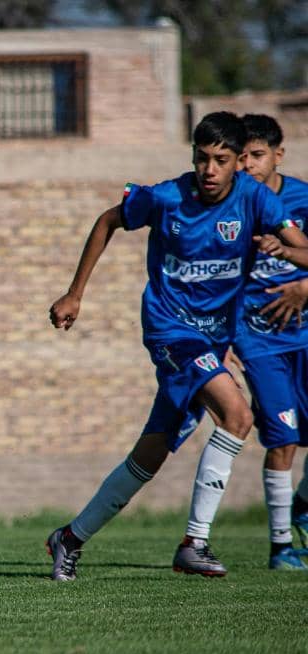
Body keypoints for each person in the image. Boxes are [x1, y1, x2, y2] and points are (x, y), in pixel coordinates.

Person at [46, 111, 308, 581]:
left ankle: (69, 538)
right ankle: (195, 542)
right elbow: (108, 220)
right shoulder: (166, 197)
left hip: (213, 338)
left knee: (152, 450)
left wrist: (288, 252)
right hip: (171, 332)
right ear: (193, 156)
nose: (210, 169)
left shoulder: (254, 200)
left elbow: (302, 246)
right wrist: (75, 293)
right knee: (238, 415)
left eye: (221, 160)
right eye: (202, 158)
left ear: (236, 165)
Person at [228, 114, 308, 570]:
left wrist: (304, 287)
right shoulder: (231, 203)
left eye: (256, 155)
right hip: (257, 340)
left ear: (279, 154)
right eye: (242, 157)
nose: (248, 165)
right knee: (283, 437)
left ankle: (302, 507)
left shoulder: (301, 199)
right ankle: (281, 546)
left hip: (305, 333)